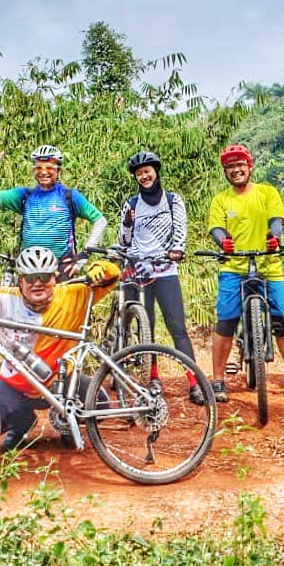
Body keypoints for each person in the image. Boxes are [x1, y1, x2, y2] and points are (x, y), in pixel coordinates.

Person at [0, 246, 120, 452]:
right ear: (20, 281)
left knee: (100, 405)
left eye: (44, 276)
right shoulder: (2, 299)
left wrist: (100, 268)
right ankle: (22, 424)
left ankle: (66, 422)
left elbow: (113, 275)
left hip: (63, 383)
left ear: (55, 278)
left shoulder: (73, 294)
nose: (37, 283)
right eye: (30, 278)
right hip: (17, 386)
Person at [207, 143, 284, 404]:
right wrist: (224, 243)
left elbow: (275, 220)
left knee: (281, 321)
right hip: (234, 267)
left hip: (269, 266)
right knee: (226, 322)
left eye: (239, 164)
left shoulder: (267, 192)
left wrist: (274, 237)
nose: (235, 170)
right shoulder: (222, 199)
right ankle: (218, 379)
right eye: (230, 167)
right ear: (225, 172)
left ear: (249, 166)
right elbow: (216, 228)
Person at [117, 151, 202, 405]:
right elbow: (123, 240)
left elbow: (180, 233)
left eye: (148, 171)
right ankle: (153, 378)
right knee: (147, 329)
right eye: (139, 173)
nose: (144, 176)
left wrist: (177, 251)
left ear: (156, 171)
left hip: (164, 270)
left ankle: (194, 381)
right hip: (137, 271)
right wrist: (127, 223)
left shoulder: (173, 201)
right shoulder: (131, 204)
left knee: (177, 328)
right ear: (136, 177)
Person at [0, 138, 107, 278]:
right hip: (29, 266)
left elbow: (100, 221)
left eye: (49, 168)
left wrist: (83, 256)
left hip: (61, 268)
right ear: (34, 171)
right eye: (39, 168)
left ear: (58, 172)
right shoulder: (25, 195)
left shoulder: (69, 196)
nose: (44, 172)